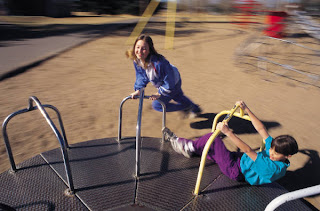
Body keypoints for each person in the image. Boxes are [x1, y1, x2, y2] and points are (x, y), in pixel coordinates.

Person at [163, 101, 299, 185]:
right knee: (209, 147)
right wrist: (247, 109)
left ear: (288, 156)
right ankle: (191, 148)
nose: (271, 153)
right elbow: (261, 128)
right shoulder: (275, 150)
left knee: (215, 139)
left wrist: (228, 132)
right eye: (272, 150)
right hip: (241, 160)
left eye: (275, 154)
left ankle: (184, 145)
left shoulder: (272, 168)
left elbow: (248, 150)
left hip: (237, 170)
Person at [125, 34, 201, 118]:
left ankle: (186, 107)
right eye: (137, 47)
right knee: (178, 96)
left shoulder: (159, 63)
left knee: (157, 105)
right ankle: (195, 109)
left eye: (144, 48)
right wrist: (138, 90)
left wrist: (159, 93)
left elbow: (169, 82)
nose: (139, 51)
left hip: (172, 81)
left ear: (149, 50)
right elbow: (141, 76)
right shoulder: (137, 61)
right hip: (169, 80)